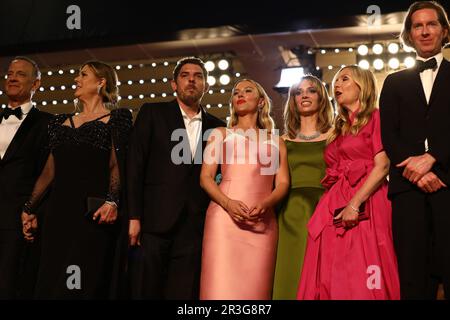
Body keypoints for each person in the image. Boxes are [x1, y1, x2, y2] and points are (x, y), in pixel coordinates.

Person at [21, 60, 132, 299]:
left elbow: (117, 164)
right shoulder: (58, 122)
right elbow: (50, 171)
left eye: (83, 75)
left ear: (101, 82)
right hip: (57, 214)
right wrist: (29, 208)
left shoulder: (118, 118)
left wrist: (112, 201)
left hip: (92, 215)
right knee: (52, 280)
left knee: (86, 281)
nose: (76, 79)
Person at [297, 66, 400, 300]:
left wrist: (354, 204)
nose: (337, 85)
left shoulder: (376, 117)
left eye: (345, 79)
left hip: (368, 201)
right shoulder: (339, 128)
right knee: (336, 271)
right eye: (335, 81)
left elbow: (382, 166)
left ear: (361, 85)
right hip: (336, 202)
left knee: (365, 269)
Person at [127, 57, 225, 299]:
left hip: (195, 225)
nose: (191, 80)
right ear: (174, 84)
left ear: (206, 86)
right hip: (153, 221)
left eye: (198, 76)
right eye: (185, 75)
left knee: (183, 292)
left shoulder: (218, 127)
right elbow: (135, 166)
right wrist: (134, 216)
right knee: (146, 289)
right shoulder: (152, 113)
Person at [379, 1, 450, 299]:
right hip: (408, 190)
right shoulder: (393, 82)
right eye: (417, 26)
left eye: (431, 24)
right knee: (411, 278)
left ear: (444, 30)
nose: (424, 31)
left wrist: (433, 158)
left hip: (448, 184)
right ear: (409, 34)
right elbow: (389, 137)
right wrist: (418, 173)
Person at [199, 78, 289, 300]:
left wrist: (266, 203)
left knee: (256, 291)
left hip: (262, 222)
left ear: (260, 102)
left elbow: (283, 183)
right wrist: (228, 203)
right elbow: (206, 178)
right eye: (236, 92)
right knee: (219, 287)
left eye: (247, 91)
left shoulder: (275, 140)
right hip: (223, 220)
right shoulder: (220, 134)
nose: (240, 94)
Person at [272, 75, 333, 300]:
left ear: (322, 98)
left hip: (326, 212)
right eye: (298, 92)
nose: (304, 95)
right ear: (293, 101)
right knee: (291, 270)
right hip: (290, 214)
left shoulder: (336, 136)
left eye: (311, 90)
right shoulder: (281, 141)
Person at [0, 56, 52, 299]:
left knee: (10, 286)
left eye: (20, 74)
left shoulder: (48, 124)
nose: (12, 77)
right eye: (9, 73)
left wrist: (32, 211)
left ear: (35, 84)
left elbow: (48, 173)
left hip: (17, 220)